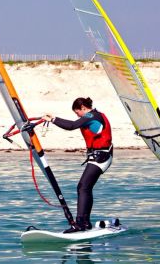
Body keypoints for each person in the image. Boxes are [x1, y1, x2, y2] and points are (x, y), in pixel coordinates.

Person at [42, 97, 113, 233]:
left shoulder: (91, 115)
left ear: (83, 108)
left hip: (101, 158)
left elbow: (72, 126)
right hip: (100, 157)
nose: (78, 116)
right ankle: (85, 222)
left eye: (77, 112)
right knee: (85, 188)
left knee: (82, 187)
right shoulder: (97, 114)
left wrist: (53, 119)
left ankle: (80, 223)